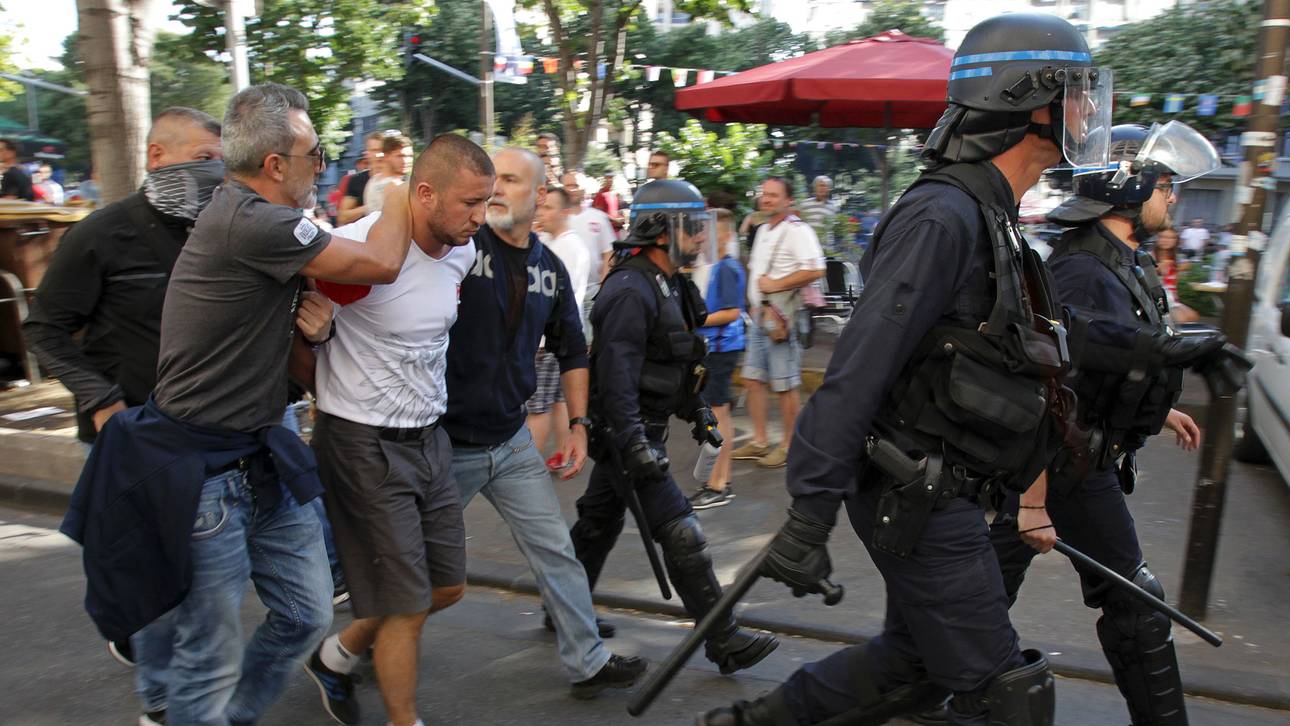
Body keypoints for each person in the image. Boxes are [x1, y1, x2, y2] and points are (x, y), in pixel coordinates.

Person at [699, 14, 1118, 725]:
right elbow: (858, 368)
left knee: (910, 669)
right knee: (1005, 699)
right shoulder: (943, 217)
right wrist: (811, 509)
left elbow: (1034, 346)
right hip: (916, 494)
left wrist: (1154, 354)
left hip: (946, 491)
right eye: (1076, 93)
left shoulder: (996, 217)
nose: (1088, 113)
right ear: (1027, 99)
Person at [61, 82, 416, 726]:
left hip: (259, 455)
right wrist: (393, 190)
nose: (320, 163)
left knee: (308, 613)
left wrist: (317, 331)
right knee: (209, 658)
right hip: (203, 478)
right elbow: (383, 263)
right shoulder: (253, 220)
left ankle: (232, 717)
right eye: (312, 154)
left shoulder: (259, 218)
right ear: (276, 165)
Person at [990, 122, 1229, 726]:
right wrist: (1035, 502)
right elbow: (1048, 389)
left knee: (976, 598)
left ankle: (915, 682)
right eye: (1166, 185)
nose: (1172, 198)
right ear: (1130, 184)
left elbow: (1109, 359)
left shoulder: (1119, 261)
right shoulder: (1083, 269)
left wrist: (1156, 408)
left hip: (1076, 459)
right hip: (1064, 467)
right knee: (1135, 602)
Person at [25, 106, 223, 726]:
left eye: (219, 162)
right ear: (156, 158)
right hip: (130, 439)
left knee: (200, 582)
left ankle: (164, 661)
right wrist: (103, 401)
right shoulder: (100, 233)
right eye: (201, 161)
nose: (213, 174)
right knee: (153, 577)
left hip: (209, 437)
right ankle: (161, 700)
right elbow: (46, 331)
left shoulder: (222, 229)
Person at [300, 134, 495, 726]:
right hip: (362, 441)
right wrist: (315, 341)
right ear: (426, 192)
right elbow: (292, 313)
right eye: (470, 203)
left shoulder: (461, 251)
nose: (480, 218)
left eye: (486, 202)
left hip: (428, 437)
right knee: (407, 604)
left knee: (446, 588)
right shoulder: (359, 251)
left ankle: (337, 655)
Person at [444, 146, 647, 699]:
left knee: (555, 548)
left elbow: (573, 349)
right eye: (491, 180)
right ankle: (356, 648)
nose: (495, 189)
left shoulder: (549, 268)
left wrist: (578, 424)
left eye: (508, 180)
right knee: (413, 563)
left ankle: (588, 661)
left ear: (539, 197)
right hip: (444, 444)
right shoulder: (458, 249)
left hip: (509, 443)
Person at [568, 179, 779, 675]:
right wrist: (634, 441)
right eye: (692, 226)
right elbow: (616, 379)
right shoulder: (628, 290)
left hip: (645, 429)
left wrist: (698, 407)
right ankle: (722, 638)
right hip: (628, 434)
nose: (703, 237)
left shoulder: (671, 285)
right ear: (662, 229)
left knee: (598, 523)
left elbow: (675, 361)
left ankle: (565, 611)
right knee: (681, 531)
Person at [729, 177, 825, 469]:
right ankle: (760, 441)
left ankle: (789, 446)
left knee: (784, 385)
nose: (766, 199)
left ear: (788, 201)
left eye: (773, 195)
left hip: (781, 318)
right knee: (753, 379)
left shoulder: (797, 230)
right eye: (764, 194)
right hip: (761, 316)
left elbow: (816, 269)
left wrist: (775, 284)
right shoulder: (763, 229)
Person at [528, 184, 591, 470]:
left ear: (566, 212)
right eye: (541, 206)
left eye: (549, 207)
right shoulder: (551, 240)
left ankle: (524, 468)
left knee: (537, 408)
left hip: (548, 340)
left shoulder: (568, 246)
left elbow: (546, 296)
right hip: (553, 339)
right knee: (556, 401)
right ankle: (566, 454)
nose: (542, 212)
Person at [689, 208, 747, 510]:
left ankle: (719, 484)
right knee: (718, 413)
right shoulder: (715, 266)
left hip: (722, 348)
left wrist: (695, 319)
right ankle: (718, 481)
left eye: (706, 231)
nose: (700, 236)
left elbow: (733, 312)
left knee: (719, 415)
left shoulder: (726, 268)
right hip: (718, 347)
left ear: (724, 234)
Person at [561, 170, 617, 337]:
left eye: (575, 185)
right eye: (567, 185)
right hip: (564, 293)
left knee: (593, 340)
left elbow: (609, 252)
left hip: (592, 292)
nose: (571, 189)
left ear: (584, 189)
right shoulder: (556, 218)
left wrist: (603, 284)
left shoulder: (598, 217)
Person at [1150, 227, 1200, 323]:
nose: (1166, 240)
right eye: (1163, 237)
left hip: (1172, 299)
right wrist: (1159, 268)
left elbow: (1186, 266)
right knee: (1182, 320)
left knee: (1193, 316)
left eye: (1171, 238)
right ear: (1157, 239)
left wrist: (1179, 268)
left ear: (1175, 240)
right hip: (1158, 299)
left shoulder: (1176, 258)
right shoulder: (1150, 256)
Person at [336, 131, 386, 224]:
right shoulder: (357, 180)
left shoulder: (398, 180)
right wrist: (370, 207)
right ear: (367, 154)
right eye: (374, 150)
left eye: (382, 150)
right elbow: (342, 217)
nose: (379, 154)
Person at [364, 130, 413, 215]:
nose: (406, 161)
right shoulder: (395, 185)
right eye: (400, 156)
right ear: (386, 156)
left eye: (410, 156)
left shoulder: (373, 180)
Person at [796, 175, 838, 253]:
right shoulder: (805, 204)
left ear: (829, 189)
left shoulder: (833, 206)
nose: (821, 188)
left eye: (824, 186)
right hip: (808, 249)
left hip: (827, 250)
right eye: (819, 186)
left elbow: (833, 229)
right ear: (815, 188)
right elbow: (798, 226)